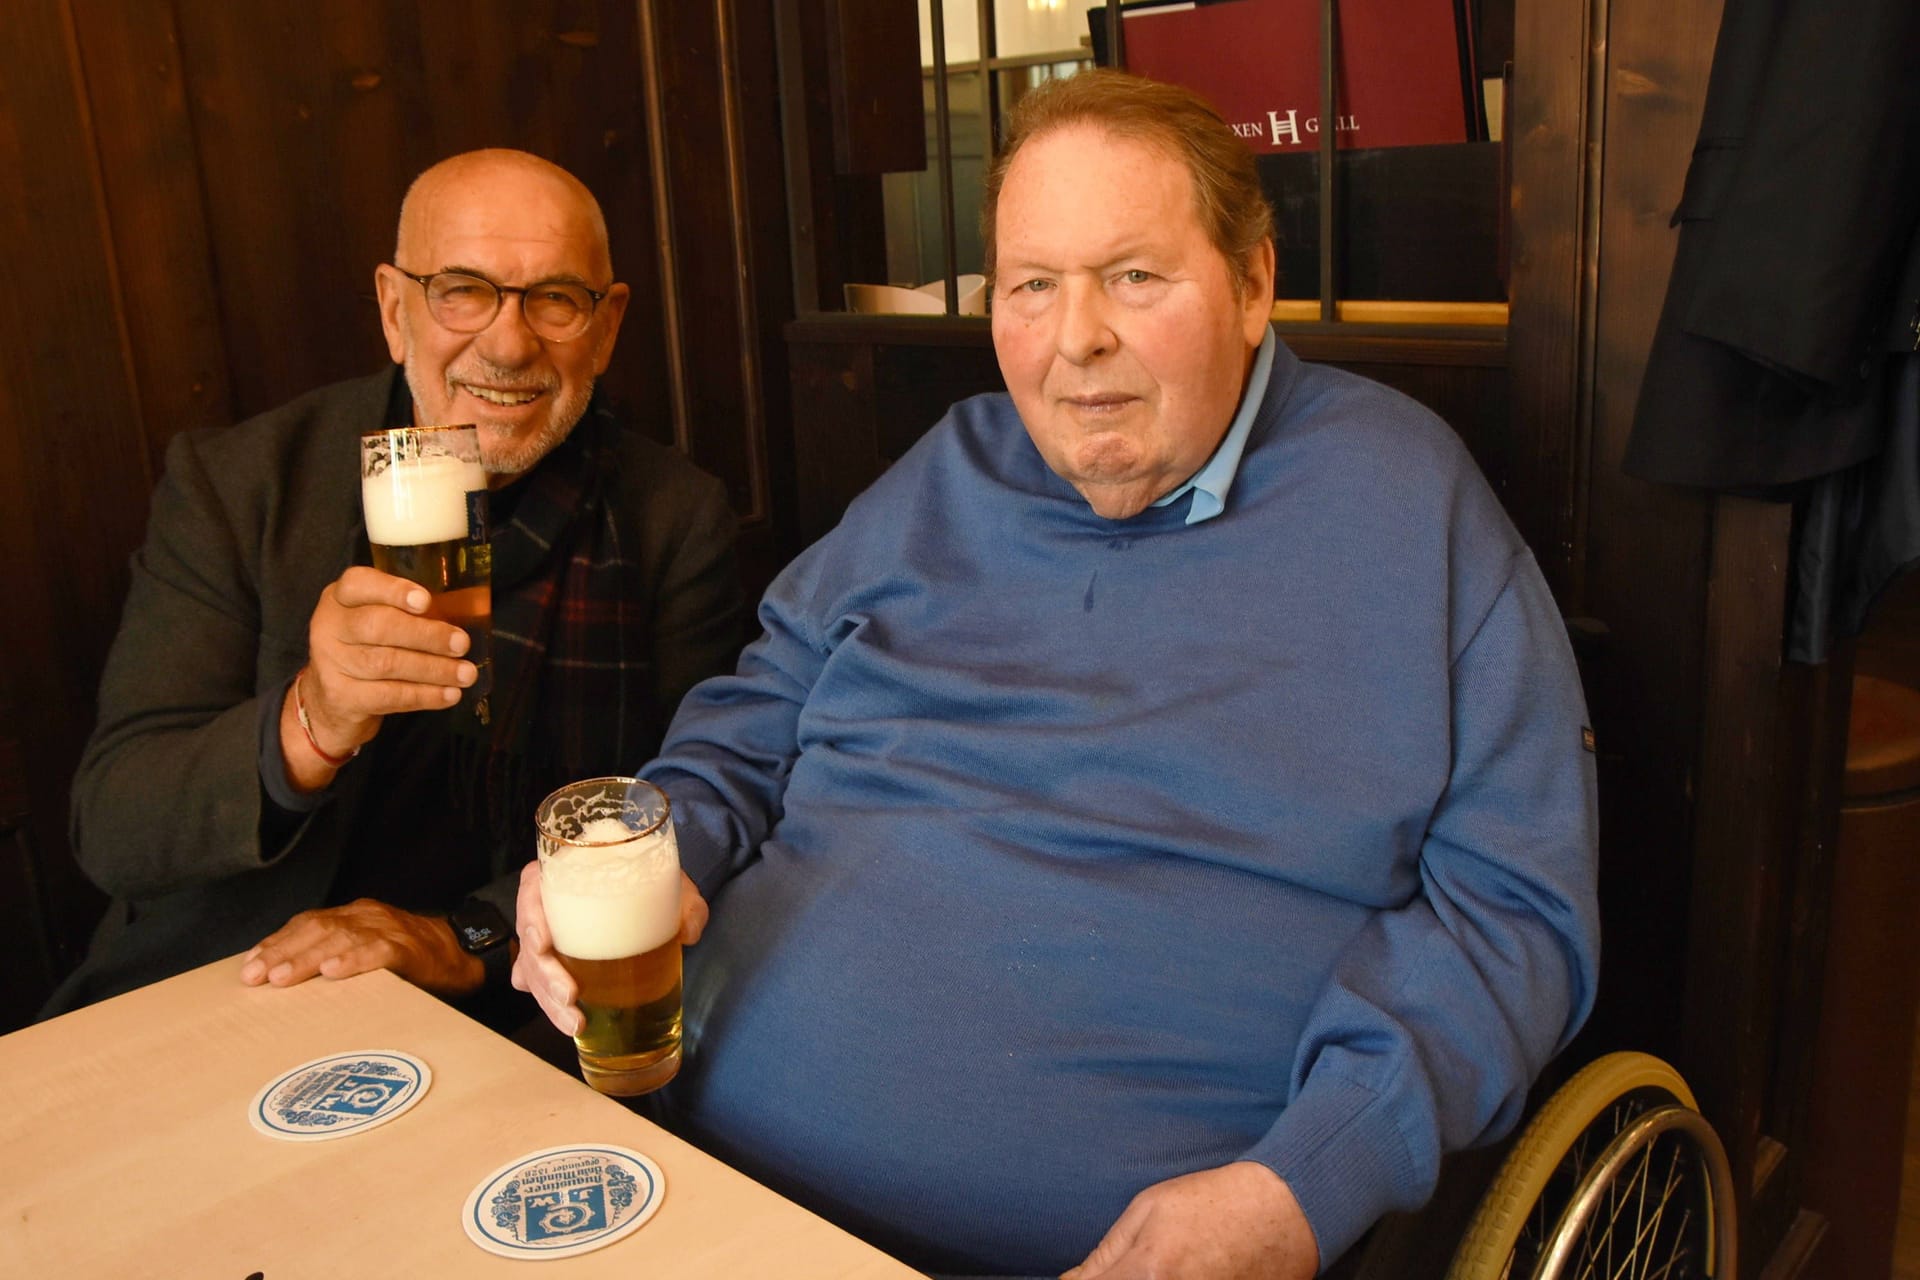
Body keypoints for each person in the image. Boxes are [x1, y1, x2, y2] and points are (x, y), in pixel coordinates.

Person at [515, 72, 1599, 1279]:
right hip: (659, 1181)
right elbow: (753, 714)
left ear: (1253, 286)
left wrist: (1304, 1185)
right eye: (1032, 285)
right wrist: (656, 848)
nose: (1076, 337)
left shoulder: (1409, 504)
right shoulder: (952, 467)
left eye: (1134, 276)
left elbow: (1514, 916)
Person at [46, 149, 744, 1023]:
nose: (508, 342)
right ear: (393, 308)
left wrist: (459, 939)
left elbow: (677, 810)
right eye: (462, 290)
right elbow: (115, 828)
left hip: (502, 1002)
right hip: (226, 981)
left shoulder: (672, 519)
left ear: (606, 327)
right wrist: (316, 716)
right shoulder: (245, 486)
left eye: (557, 299)